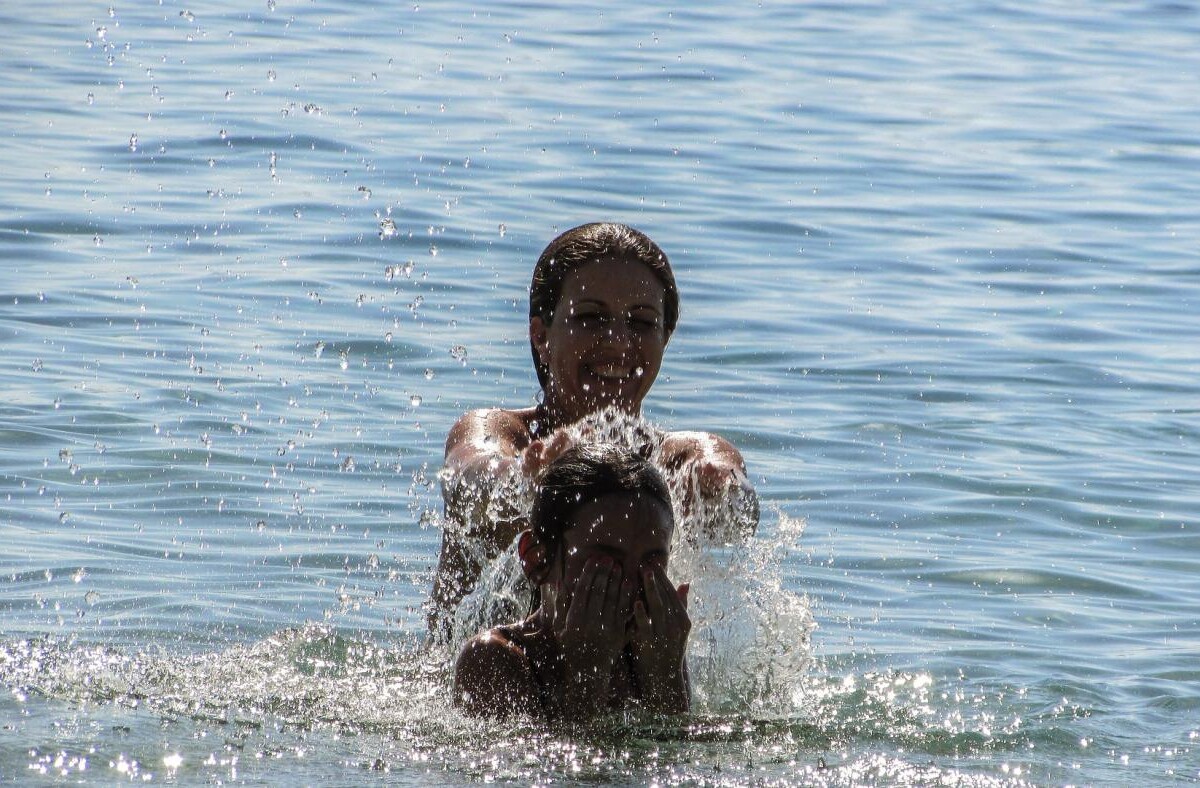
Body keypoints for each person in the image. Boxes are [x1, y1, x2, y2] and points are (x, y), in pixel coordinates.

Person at [429, 222, 754, 639]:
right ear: (541, 335)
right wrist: (520, 480)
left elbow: (740, 508)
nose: (618, 342)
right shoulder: (505, 435)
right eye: (590, 317)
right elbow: (469, 475)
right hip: (481, 676)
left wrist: (719, 489)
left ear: (665, 338)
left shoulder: (677, 459)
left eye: (641, 322)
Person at [453, 444, 690, 721]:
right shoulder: (493, 659)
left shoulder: (655, 648)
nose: (628, 585)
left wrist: (667, 680)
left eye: (651, 564)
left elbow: (678, 747)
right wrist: (588, 672)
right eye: (606, 563)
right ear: (536, 558)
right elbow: (565, 751)